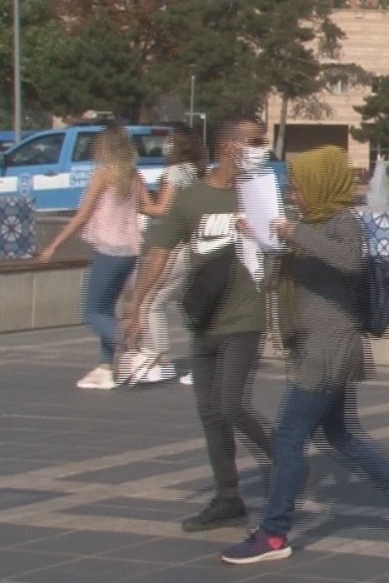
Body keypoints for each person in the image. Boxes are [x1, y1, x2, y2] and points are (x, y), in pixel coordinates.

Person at [220, 146, 389, 565]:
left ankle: (273, 533)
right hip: (311, 345)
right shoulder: (309, 224)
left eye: (300, 187)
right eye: (292, 188)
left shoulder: (343, 223)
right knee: (336, 434)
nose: (295, 195)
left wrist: (291, 234)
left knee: (288, 438)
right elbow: (278, 277)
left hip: (328, 349)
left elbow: (350, 262)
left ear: (322, 185)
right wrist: (263, 241)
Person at [125, 118, 274, 533]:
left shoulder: (261, 194)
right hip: (204, 318)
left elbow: (284, 245)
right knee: (210, 413)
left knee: (231, 405)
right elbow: (157, 251)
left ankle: (283, 459)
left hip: (246, 317)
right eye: (256, 142)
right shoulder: (191, 198)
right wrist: (137, 308)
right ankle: (228, 497)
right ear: (229, 147)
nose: (264, 149)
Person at [40, 122, 151, 390]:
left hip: (108, 249)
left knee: (91, 312)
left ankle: (132, 350)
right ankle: (105, 367)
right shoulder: (133, 175)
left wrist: (54, 244)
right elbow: (148, 206)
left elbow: (83, 214)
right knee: (106, 311)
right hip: (130, 250)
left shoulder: (103, 175)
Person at [124, 124, 207, 385]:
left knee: (152, 301)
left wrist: (139, 203)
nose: (166, 145)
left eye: (171, 141)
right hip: (194, 243)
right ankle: (172, 360)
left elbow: (164, 209)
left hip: (175, 244)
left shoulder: (174, 171)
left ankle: (160, 361)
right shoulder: (197, 171)